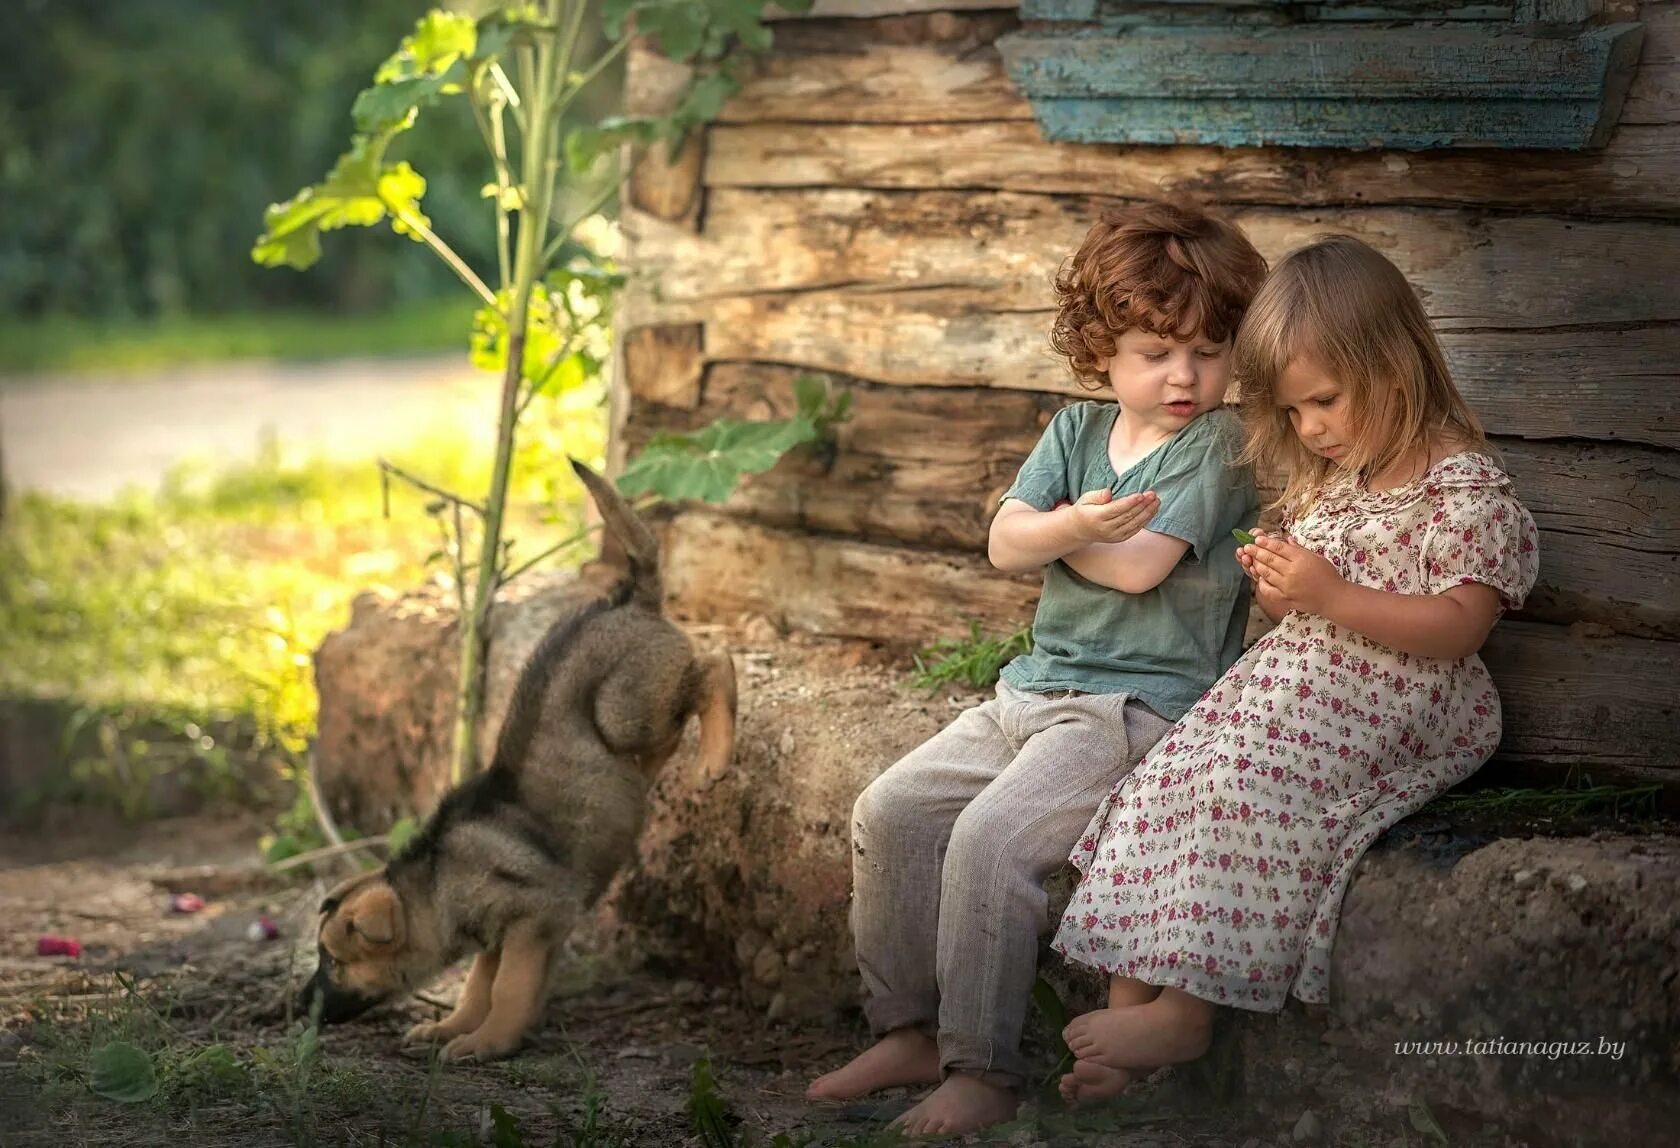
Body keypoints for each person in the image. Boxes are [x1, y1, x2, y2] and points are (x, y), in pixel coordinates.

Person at [805, 200, 1267, 1136]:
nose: (1184, 375)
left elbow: (1139, 567)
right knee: (892, 811)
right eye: (1155, 352)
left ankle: (983, 1069)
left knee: (991, 840)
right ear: (1103, 351)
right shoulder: (1073, 434)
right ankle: (909, 1029)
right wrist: (1069, 530)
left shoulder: (1218, 444)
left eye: (1209, 352)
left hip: (1135, 710)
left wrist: (1060, 535)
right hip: (1031, 690)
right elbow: (1000, 545)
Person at [1049, 234, 1540, 1104]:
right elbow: (1307, 606)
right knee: (1168, 776)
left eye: (1324, 402)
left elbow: (1462, 627)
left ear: (1393, 366)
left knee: (1243, 783)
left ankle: (1187, 1011)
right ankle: (1131, 1017)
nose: (1309, 429)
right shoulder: (1340, 482)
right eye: (1295, 412)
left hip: (1400, 696)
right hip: (1299, 689)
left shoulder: (1460, 488)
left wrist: (1334, 595)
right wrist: (1284, 589)